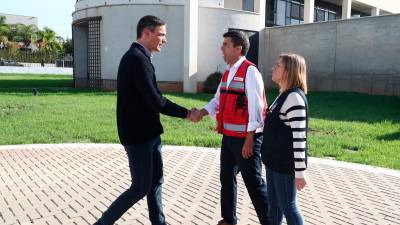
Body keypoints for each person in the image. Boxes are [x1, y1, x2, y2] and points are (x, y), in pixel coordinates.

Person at [94, 15, 200, 225]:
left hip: (150, 134)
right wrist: (187, 113)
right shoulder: (135, 59)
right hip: (138, 136)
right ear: (146, 33)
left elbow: (150, 99)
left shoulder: (142, 57)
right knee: (140, 187)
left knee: (155, 183)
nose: (165, 39)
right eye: (161, 34)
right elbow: (156, 100)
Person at [194, 30, 269, 225]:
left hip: (246, 139)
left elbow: (256, 108)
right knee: (226, 179)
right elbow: (217, 100)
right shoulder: (227, 72)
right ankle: (228, 220)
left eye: (225, 44)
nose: (221, 48)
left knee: (253, 183)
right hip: (228, 137)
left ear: (239, 48)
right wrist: (200, 113)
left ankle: (270, 221)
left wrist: (250, 139)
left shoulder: (250, 72)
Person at [261, 53, 309, 225]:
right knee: (274, 206)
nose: (273, 68)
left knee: (288, 206)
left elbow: (299, 138)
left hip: (284, 165)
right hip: (274, 162)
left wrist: (300, 173)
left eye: (278, 65)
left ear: (289, 71)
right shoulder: (283, 95)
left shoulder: (294, 98)